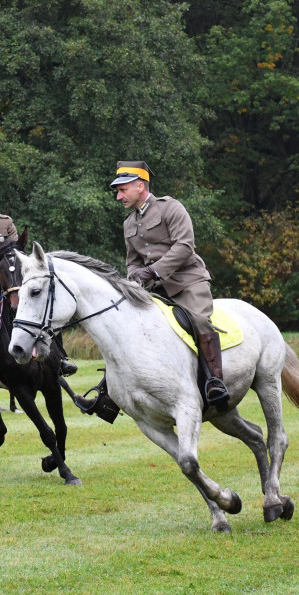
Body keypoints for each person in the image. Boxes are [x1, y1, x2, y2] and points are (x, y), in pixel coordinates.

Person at [109, 160, 230, 409]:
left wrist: (152, 271)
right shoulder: (128, 223)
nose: (119, 197)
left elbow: (185, 246)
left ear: (140, 186)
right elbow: (132, 261)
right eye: (118, 191)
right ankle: (110, 393)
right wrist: (134, 278)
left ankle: (215, 381)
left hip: (187, 282)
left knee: (198, 320)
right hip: (154, 290)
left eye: (122, 190)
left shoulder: (170, 208)